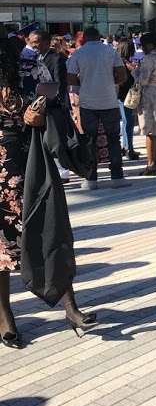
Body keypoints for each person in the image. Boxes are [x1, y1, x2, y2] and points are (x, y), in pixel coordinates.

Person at [0, 31, 96, 348]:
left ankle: (70, 308)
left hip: (29, 162)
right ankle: (5, 317)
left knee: (47, 228)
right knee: (0, 247)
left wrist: (40, 117)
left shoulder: (30, 66)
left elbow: (57, 105)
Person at [66, 27, 130, 192]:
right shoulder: (110, 51)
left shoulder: (78, 54)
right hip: (109, 101)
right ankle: (117, 177)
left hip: (87, 102)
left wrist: (85, 83)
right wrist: (108, 82)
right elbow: (122, 75)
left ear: (85, 38)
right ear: (99, 37)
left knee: (89, 141)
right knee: (113, 139)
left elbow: (70, 78)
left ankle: (91, 178)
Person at [136, 33, 156, 177]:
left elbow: (143, 80)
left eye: (144, 45)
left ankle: (150, 163)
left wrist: (134, 71)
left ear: (150, 45)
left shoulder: (148, 59)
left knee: (149, 129)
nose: (142, 48)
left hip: (148, 93)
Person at [116, 38, 141, 161]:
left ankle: (126, 146)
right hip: (126, 95)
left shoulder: (117, 61)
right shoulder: (125, 64)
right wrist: (134, 70)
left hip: (118, 95)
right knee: (128, 122)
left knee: (126, 122)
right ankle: (128, 148)